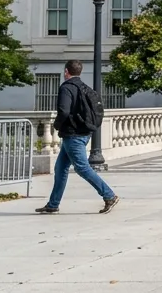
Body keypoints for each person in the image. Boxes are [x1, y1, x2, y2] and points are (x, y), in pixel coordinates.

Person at [35, 60, 119, 215]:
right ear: (79, 72)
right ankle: (53, 204)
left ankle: (109, 195)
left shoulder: (67, 88)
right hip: (83, 132)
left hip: (73, 134)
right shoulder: (84, 88)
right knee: (60, 168)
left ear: (66, 71)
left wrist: (57, 125)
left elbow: (64, 111)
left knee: (82, 168)